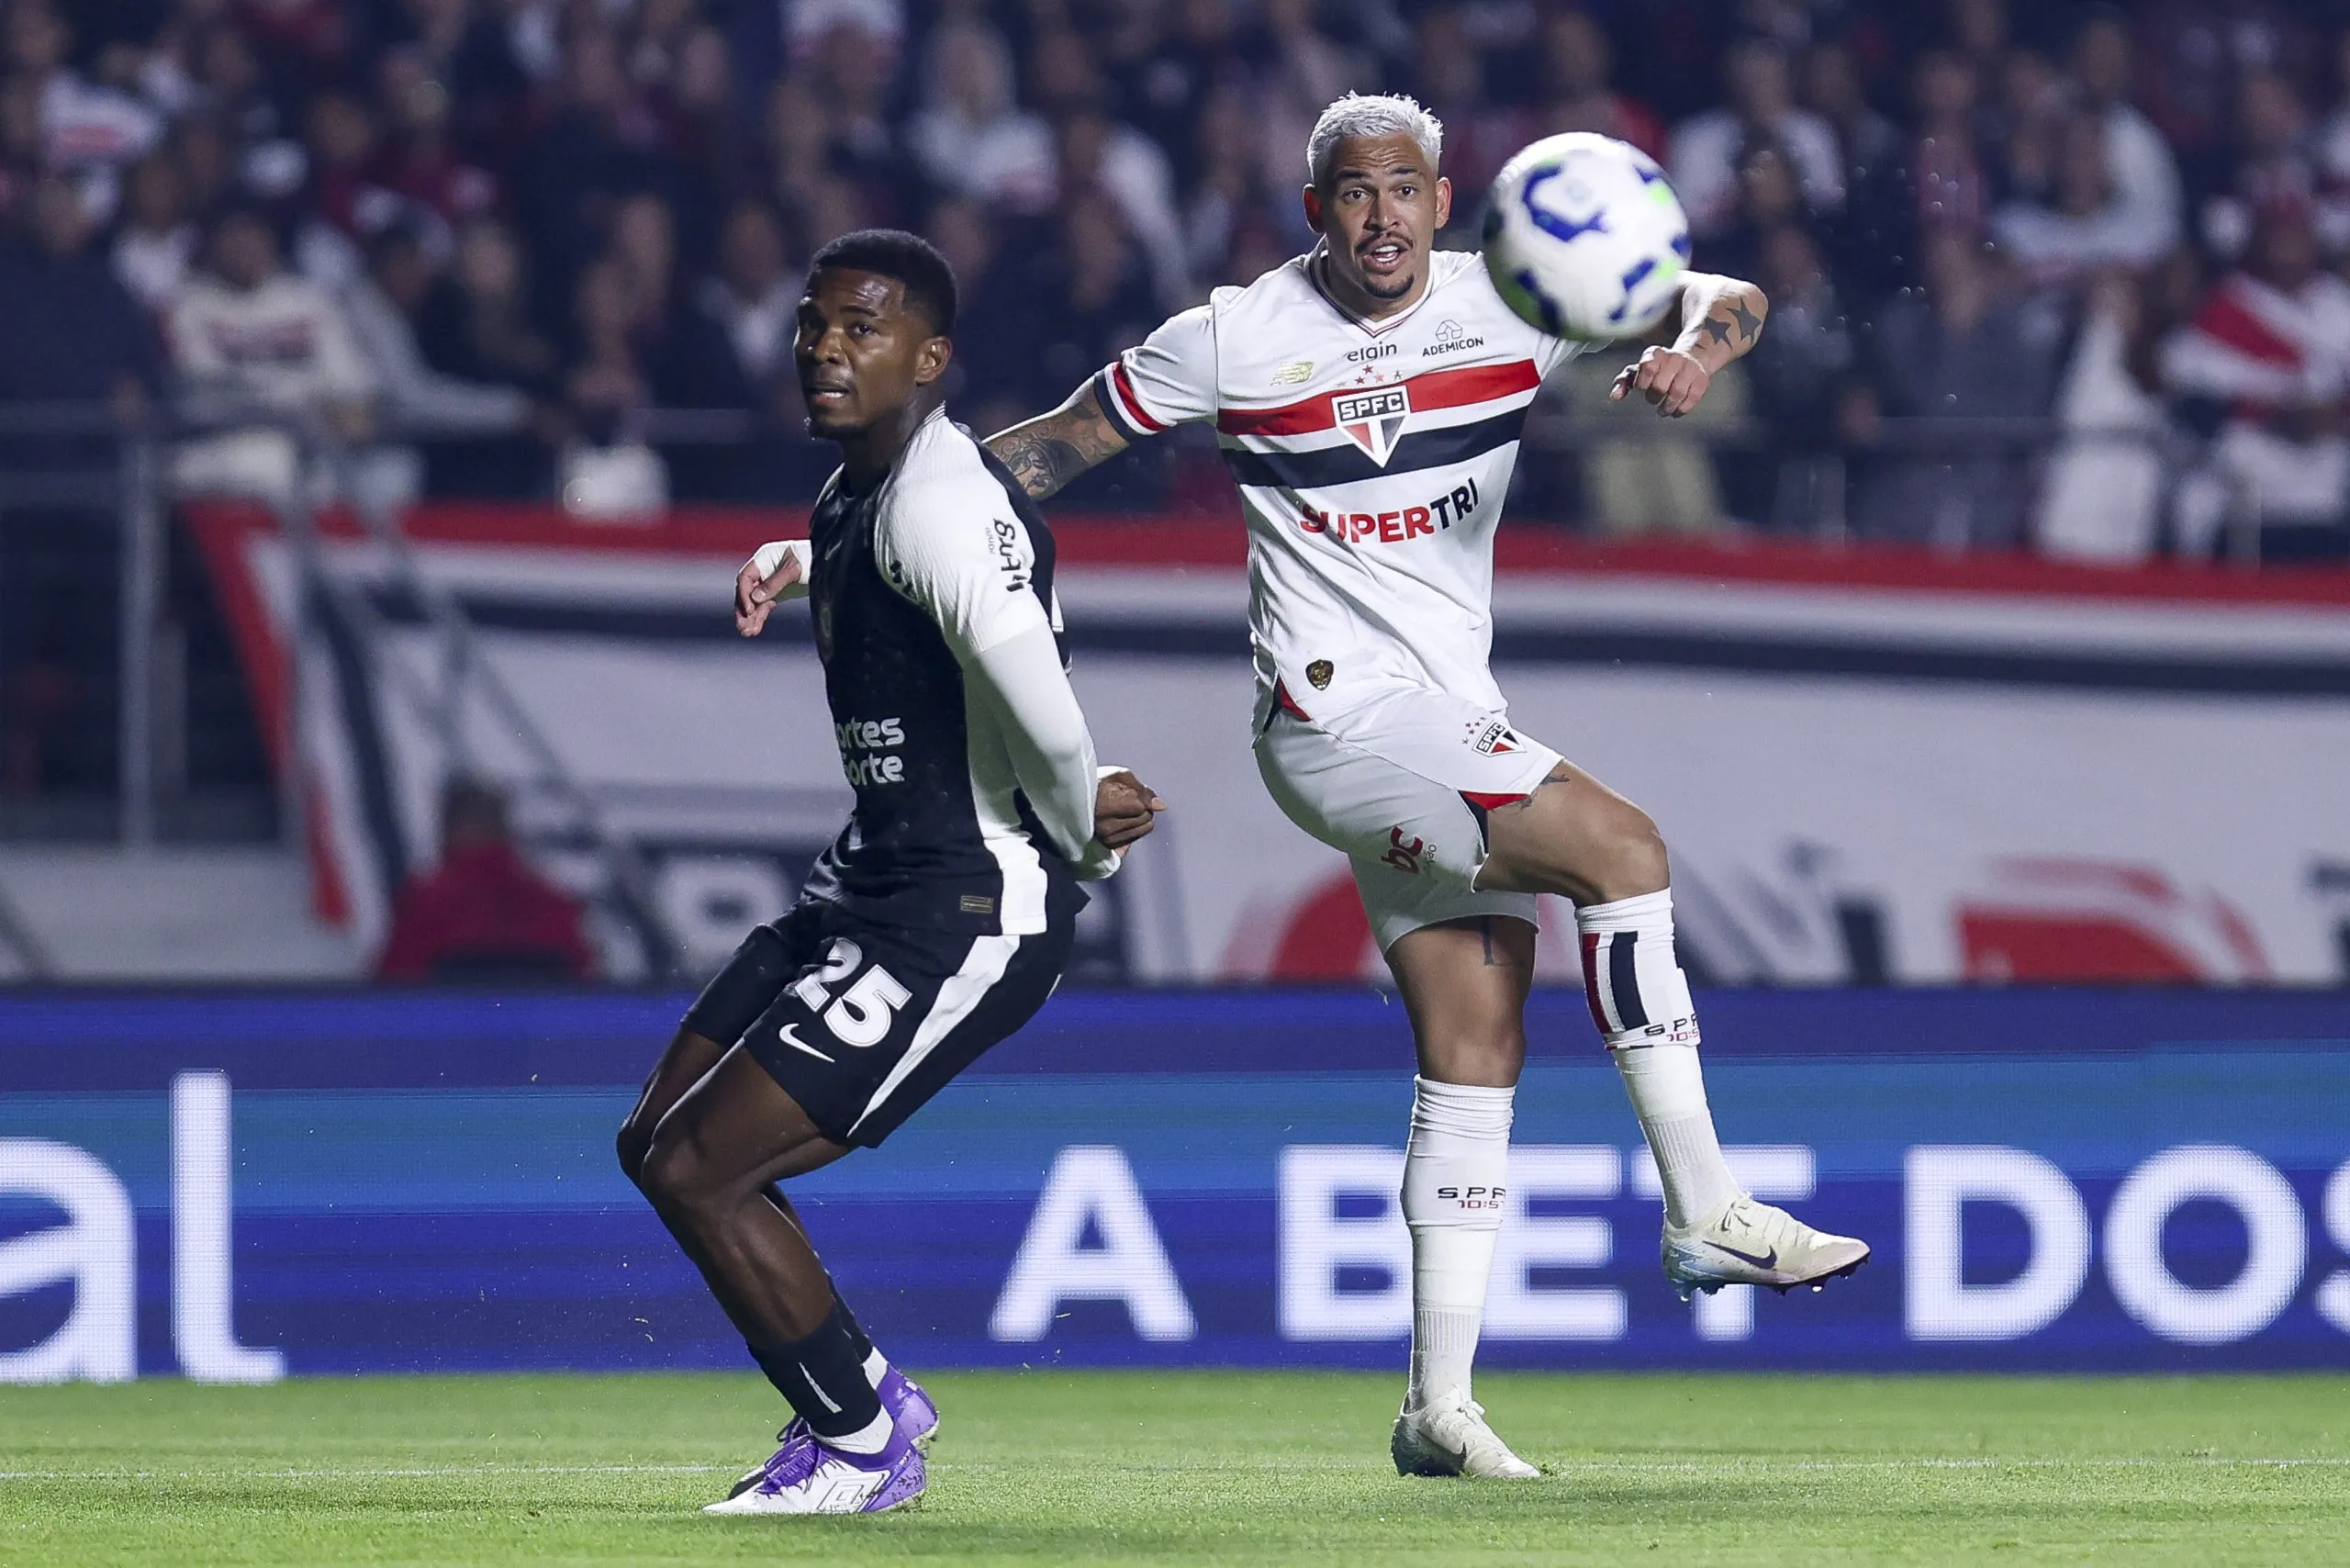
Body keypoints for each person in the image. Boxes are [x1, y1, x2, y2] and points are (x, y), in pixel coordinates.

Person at [985, 94, 1867, 1482]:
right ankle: (1706, 1206)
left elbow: (1734, 297)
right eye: (1352, 190)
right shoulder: (1234, 336)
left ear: (1444, 201)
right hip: (1332, 716)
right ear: (1315, 207)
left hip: (1445, 720)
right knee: (1626, 851)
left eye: (1404, 187)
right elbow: (1042, 455)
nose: (1381, 214)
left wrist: (1695, 353)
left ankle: (1435, 1408)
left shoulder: (1514, 303)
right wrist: (850, 537)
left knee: (1473, 1041)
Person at [616, 229, 1166, 1516]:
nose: (824, 348)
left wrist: (1083, 807)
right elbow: (926, 578)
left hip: (961, 912)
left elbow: (1016, 652)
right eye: (815, 324)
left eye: (861, 330)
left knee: (707, 1169)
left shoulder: (932, 499)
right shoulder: (867, 492)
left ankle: (862, 1447)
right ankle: (864, 1393)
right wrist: (807, 558)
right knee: (657, 1146)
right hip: (867, 884)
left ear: (931, 358)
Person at [375, 778, 594, 982]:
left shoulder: (427, 901)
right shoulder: (553, 902)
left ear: (452, 828)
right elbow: (585, 987)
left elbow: (393, 988)